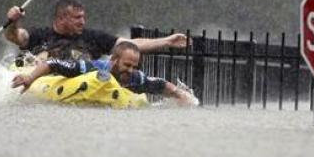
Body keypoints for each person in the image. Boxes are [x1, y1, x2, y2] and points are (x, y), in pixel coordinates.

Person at [12, 41, 196, 105]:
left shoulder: (134, 77)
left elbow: (161, 84)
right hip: (60, 81)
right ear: (114, 61)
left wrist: (180, 95)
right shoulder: (91, 67)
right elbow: (53, 64)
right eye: (127, 65)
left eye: (134, 66)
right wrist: (29, 78)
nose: (130, 70)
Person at [5, 0, 190, 61]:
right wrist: (13, 21)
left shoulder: (93, 37)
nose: (83, 22)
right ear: (61, 18)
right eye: (77, 18)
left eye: (84, 17)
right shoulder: (39, 34)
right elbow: (15, 36)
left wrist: (167, 41)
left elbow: (130, 45)